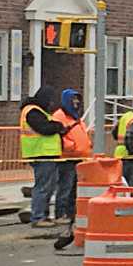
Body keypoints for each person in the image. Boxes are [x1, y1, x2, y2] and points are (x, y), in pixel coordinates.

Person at [20, 86, 67, 229]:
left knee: (49, 186)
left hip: (47, 154)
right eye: (50, 100)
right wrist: (58, 126)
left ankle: (43, 216)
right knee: (43, 187)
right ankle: (38, 216)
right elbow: (44, 128)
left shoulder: (39, 111)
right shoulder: (32, 111)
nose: (52, 104)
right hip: (40, 153)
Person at [50, 88, 92, 250]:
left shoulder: (77, 117)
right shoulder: (59, 116)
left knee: (76, 189)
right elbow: (59, 136)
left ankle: (72, 212)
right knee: (65, 187)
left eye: (77, 100)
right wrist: (71, 146)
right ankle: (62, 213)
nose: (76, 103)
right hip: (68, 158)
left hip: (80, 157)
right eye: (73, 100)